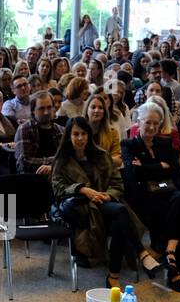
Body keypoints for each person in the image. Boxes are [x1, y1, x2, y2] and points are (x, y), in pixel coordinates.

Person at [52, 115, 158, 288]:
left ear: (89, 135)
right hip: (84, 209)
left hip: (105, 203)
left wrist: (107, 195)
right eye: (76, 134)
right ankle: (142, 253)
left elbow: (117, 183)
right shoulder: (62, 161)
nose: (80, 138)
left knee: (119, 222)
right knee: (121, 212)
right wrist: (82, 189)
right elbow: (57, 188)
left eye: (83, 134)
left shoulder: (101, 155)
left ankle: (113, 276)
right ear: (69, 136)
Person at [122, 102, 180, 293]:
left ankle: (169, 254)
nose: (152, 127)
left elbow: (174, 170)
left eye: (156, 123)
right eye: (148, 123)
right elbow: (133, 174)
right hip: (143, 198)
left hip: (167, 193)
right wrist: (159, 167)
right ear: (139, 122)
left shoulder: (163, 143)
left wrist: (146, 168)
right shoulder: (129, 144)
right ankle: (175, 264)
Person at [16, 91, 64, 176]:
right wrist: (54, 164)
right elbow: (24, 162)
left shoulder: (61, 130)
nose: (46, 112)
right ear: (33, 111)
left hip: (57, 176)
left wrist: (52, 167)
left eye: (49, 107)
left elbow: (68, 159)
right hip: (33, 178)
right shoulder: (24, 129)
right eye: (41, 109)